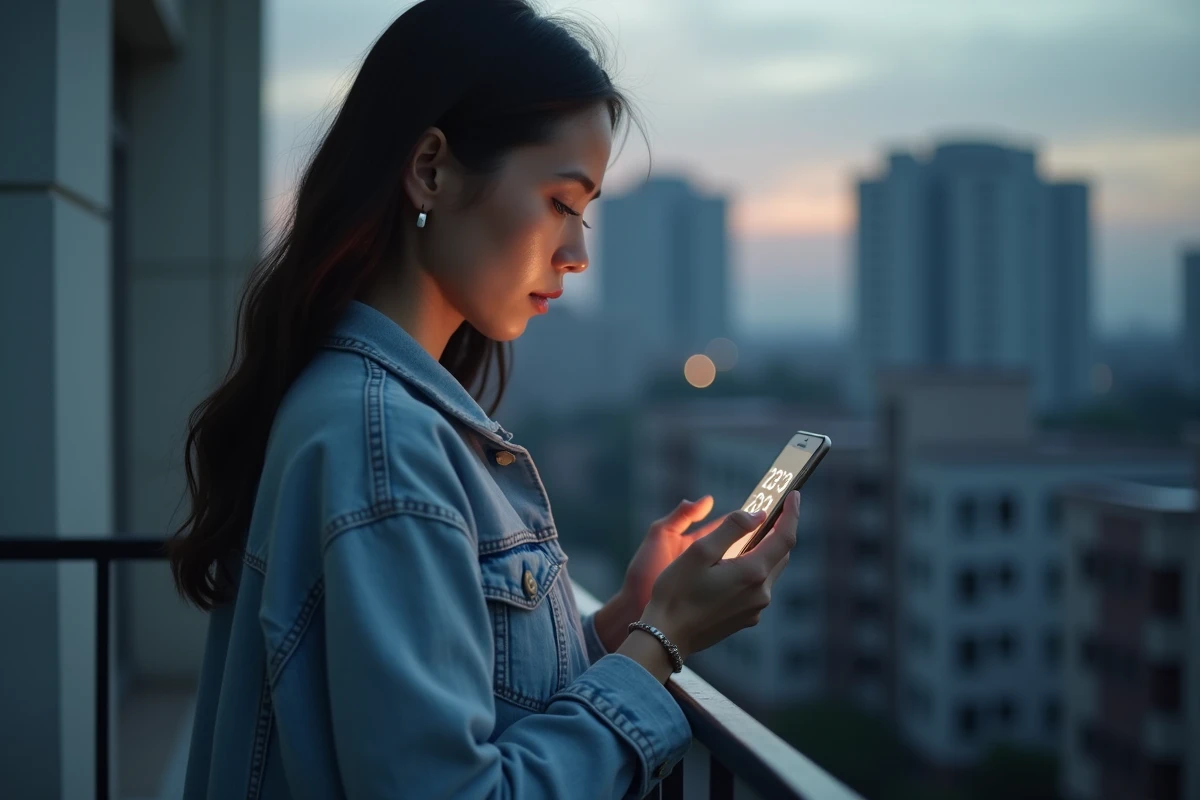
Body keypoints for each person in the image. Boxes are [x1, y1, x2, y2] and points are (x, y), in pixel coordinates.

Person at [168, 1, 801, 797]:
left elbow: (452, 704)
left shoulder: (355, 406)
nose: (575, 254)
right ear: (431, 168)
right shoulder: (385, 443)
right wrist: (664, 642)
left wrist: (623, 627)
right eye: (562, 203)